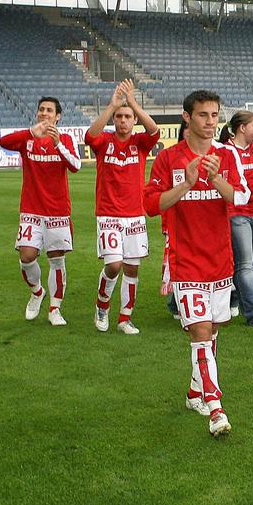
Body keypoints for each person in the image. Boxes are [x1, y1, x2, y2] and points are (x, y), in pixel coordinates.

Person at [144, 89, 250, 437]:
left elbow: (244, 198)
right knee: (201, 332)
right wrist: (187, 184)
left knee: (213, 329)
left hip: (220, 261)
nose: (210, 122)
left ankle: (195, 392)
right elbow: (151, 204)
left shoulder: (226, 155)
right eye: (203, 115)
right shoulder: (169, 158)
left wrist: (216, 178)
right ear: (187, 117)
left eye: (215, 115)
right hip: (185, 262)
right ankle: (216, 409)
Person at [85, 80, 159, 335]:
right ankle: (102, 306)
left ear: (133, 120)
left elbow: (154, 131)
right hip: (108, 214)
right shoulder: (104, 142)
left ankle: (125, 318)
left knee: (132, 268)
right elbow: (89, 136)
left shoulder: (140, 143)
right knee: (114, 265)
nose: (123, 120)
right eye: (119, 117)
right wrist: (112, 105)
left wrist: (134, 103)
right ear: (114, 120)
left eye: (127, 117)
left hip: (135, 215)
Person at [0, 97, 81, 326]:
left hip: (58, 212)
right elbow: (3, 141)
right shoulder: (27, 139)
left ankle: (55, 309)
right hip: (32, 211)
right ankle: (37, 292)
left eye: (49, 110)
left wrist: (57, 144)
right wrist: (30, 133)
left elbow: (76, 166)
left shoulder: (65, 139)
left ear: (58, 116)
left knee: (56, 259)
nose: (44, 113)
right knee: (26, 256)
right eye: (41, 110)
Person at [220, 110, 253, 329]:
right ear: (242, 128)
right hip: (238, 213)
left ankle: (232, 295)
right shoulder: (226, 151)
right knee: (244, 264)